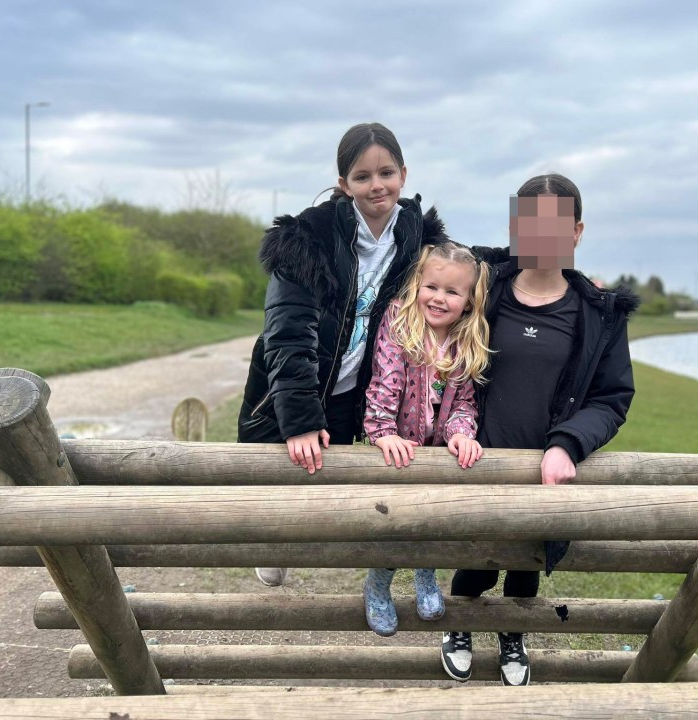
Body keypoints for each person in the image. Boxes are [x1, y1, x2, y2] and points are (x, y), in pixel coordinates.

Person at [237, 123, 505, 586]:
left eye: (386, 173)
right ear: (344, 184)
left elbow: (471, 261)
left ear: (403, 173)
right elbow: (287, 333)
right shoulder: (309, 238)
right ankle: (270, 542)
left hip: (349, 393)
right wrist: (299, 418)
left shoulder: (416, 236)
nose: (376, 185)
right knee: (274, 482)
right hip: (294, 386)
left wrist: (539, 258)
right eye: (362, 177)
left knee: (324, 480)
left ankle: (304, 546)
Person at [439, 173, 638, 686]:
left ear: (576, 232)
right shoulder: (484, 288)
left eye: (556, 226)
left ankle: (513, 634)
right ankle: (458, 626)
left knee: (526, 566)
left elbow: (612, 399)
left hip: (544, 474)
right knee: (477, 560)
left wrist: (568, 444)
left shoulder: (600, 313)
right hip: (475, 461)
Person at [361, 242, 490, 636]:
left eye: (453, 292)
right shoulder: (401, 322)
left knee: (433, 522)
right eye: (432, 287)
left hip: (436, 454)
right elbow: (385, 379)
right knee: (394, 523)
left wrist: (461, 435)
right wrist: (383, 431)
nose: (439, 298)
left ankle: (425, 576)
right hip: (397, 447)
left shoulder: (465, 340)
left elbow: (464, 403)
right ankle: (378, 585)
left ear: (469, 301)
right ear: (419, 283)